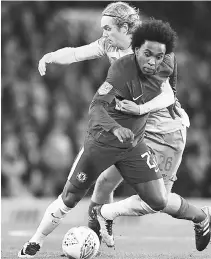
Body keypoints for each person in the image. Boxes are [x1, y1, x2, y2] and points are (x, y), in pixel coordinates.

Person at [36, 1, 211, 252]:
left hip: (165, 132)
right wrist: (50, 57)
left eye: (108, 28)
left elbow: (167, 96)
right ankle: (94, 237)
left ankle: (200, 217)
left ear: (125, 28)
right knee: (103, 182)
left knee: (157, 201)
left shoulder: (153, 52)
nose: (104, 35)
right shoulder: (110, 45)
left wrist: (140, 109)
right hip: (136, 130)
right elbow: (77, 53)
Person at [18, 18, 180, 258]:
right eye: (147, 54)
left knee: (157, 200)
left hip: (133, 145)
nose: (153, 61)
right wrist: (115, 128)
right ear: (136, 50)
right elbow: (96, 107)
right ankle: (34, 243)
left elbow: (170, 86)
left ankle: (105, 213)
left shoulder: (167, 62)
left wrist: (169, 101)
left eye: (159, 56)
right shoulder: (121, 69)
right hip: (102, 143)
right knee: (69, 199)